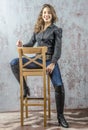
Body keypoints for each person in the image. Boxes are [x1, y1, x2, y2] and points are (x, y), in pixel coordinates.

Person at [10, 4, 69, 128]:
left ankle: (60, 116)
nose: (46, 14)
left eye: (48, 12)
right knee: (14, 63)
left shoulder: (56, 30)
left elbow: (57, 50)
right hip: (36, 61)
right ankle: (25, 88)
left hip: (49, 61)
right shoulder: (37, 29)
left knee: (59, 86)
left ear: (52, 15)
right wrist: (22, 46)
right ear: (41, 15)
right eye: (44, 13)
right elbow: (30, 44)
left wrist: (53, 63)